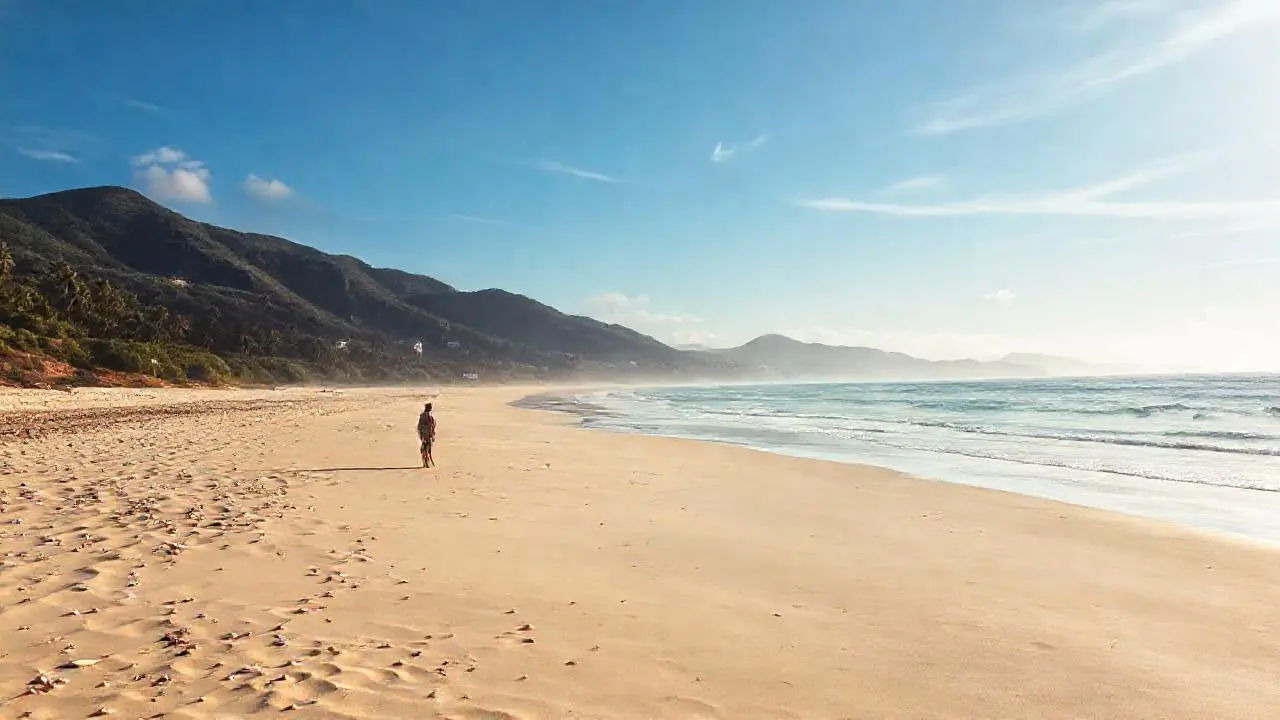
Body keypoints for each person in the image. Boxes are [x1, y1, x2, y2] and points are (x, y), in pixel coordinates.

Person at [417, 402, 437, 468]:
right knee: (428, 449)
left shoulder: (422, 415)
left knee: (424, 448)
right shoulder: (429, 415)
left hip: (423, 434)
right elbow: (431, 426)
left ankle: (425, 462)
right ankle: (428, 463)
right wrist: (432, 435)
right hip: (428, 434)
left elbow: (419, 426)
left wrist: (421, 434)